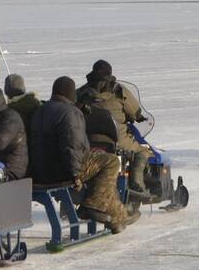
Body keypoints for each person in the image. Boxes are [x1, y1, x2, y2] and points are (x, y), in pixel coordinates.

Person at [30, 76, 137, 233]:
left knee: (100, 174)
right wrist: (75, 176)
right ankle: (93, 206)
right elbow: (72, 147)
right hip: (62, 171)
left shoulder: (40, 110)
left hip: (40, 171)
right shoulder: (70, 113)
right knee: (111, 161)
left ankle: (118, 217)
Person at [77, 60, 153, 196]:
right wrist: (138, 117)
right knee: (144, 151)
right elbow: (135, 112)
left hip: (88, 142)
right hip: (117, 141)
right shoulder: (119, 91)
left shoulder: (82, 92)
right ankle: (136, 180)